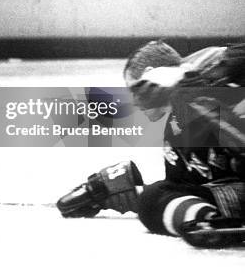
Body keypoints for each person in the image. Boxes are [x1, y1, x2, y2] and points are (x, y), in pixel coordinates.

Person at [57, 40, 245, 248]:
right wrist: (131, 194)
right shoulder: (175, 129)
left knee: (197, 105)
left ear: (150, 74)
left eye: (133, 90)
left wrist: (184, 76)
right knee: (153, 198)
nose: (135, 103)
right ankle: (210, 222)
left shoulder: (215, 69)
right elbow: (186, 188)